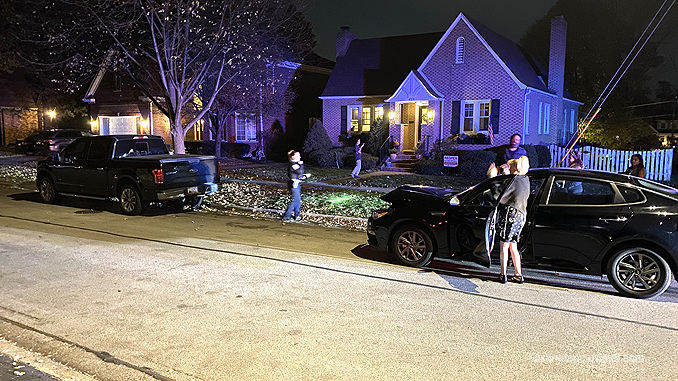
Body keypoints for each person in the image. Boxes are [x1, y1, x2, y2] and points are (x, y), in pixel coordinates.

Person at [489, 156, 530, 284]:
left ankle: (503, 274)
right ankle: (518, 274)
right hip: (521, 215)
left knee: (504, 245)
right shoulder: (525, 179)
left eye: (510, 167)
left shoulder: (515, 180)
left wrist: (493, 177)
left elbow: (499, 195)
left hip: (510, 213)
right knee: (513, 245)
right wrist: (506, 175)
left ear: (514, 169)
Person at [282, 150, 309, 222]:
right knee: (294, 200)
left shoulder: (295, 164)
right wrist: (301, 165)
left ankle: (297, 215)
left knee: (297, 200)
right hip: (294, 184)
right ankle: (287, 216)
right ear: (293, 157)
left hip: (297, 183)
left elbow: (299, 174)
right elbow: (299, 172)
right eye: (298, 156)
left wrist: (304, 177)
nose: (300, 157)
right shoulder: (292, 164)